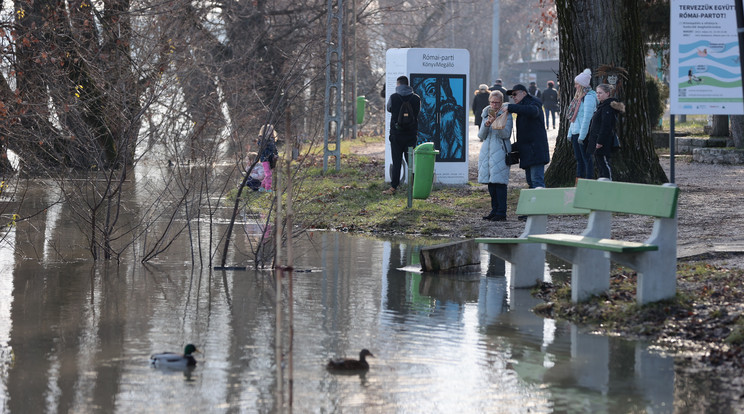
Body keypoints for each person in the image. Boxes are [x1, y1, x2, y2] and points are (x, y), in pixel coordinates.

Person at [504, 84, 550, 189]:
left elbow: (533, 111)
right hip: (527, 152)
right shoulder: (523, 107)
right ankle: (534, 204)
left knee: (537, 183)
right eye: (512, 96)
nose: (513, 97)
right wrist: (510, 147)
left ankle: (540, 205)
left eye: (515, 94)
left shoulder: (533, 102)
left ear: (523, 93)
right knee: (531, 183)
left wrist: (510, 107)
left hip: (536, 151)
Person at [477, 90, 513, 221]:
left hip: (500, 150)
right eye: (492, 102)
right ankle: (494, 210)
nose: (494, 105)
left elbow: (506, 134)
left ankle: (501, 212)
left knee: (500, 183)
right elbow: (481, 136)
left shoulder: (506, 114)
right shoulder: (486, 113)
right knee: (491, 184)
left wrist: (496, 123)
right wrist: (486, 124)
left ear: (501, 102)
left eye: (497, 103)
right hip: (487, 151)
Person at [385, 75, 421, 195]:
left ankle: (394, 187)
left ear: (398, 84)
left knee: (397, 161)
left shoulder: (393, 97)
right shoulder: (416, 98)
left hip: (396, 134)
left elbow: (389, 108)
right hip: (411, 134)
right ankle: (413, 186)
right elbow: (417, 112)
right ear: (408, 84)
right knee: (411, 161)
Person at [585, 84, 625, 180]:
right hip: (597, 139)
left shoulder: (608, 107)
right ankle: (603, 182)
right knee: (600, 164)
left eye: (600, 93)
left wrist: (600, 141)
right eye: (597, 93)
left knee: (604, 163)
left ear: (607, 93)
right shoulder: (602, 106)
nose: (598, 95)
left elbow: (606, 126)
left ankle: (608, 182)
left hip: (602, 141)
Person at [566, 68, 597, 181]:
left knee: (587, 159)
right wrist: (570, 133)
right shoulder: (577, 99)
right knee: (579, 159)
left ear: (582, 85)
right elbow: (573, 117)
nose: (575, 86)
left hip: (583, 133)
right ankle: (579, 182)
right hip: (576, 132)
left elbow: (586, 119)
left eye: (577, 84)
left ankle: (589, 182)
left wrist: (582, 136)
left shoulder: (589, 98)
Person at [257, 124, 278, 192]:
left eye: (271, 131)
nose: (270, 133)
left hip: (272, 159)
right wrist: (266, 140)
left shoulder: (272, 139)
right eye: (267, 131)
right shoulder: (261, 140)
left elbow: (275, 148)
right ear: (264, 132)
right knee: (268, 174)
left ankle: (262, 187)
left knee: (269, 174)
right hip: (264, 159)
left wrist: (276, 154)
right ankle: (268, 188)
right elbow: (263, 149)